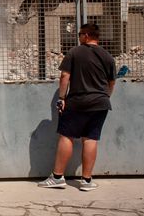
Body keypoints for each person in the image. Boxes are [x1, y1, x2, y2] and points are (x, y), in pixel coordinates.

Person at [38, 23, 115, 192]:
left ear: (86, 35)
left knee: (67, 136)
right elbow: (111, 82)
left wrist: (61, 97)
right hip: (101, 102)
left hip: (78, 101)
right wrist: (105, 97)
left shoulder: (75, 52)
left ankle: (58, 177)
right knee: (91, 138)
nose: (79, 37)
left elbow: (65, 75)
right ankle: (86, 181)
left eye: (80, 34)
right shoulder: (108, 56)